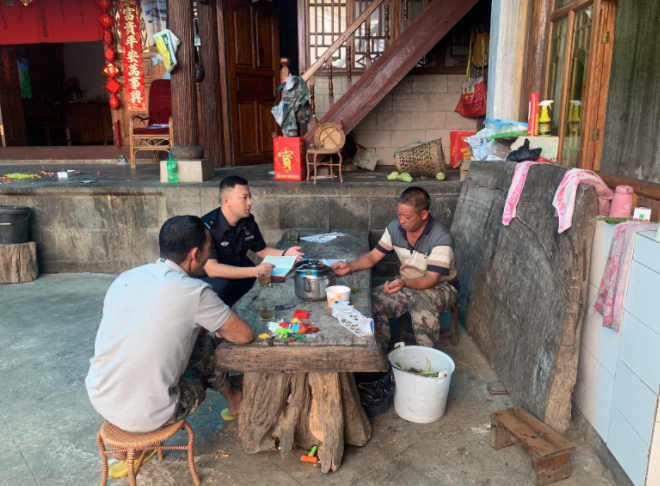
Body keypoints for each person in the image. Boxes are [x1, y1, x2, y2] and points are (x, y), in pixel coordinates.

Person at [85, 216, 254, 478]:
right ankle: (234, 400)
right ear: (195, 254)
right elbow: (244, 335)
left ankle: (127, 439)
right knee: (206, 345)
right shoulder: (195, 292)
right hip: (154, 415)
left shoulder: (126, 278)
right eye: (208, 249)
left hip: (101, 398)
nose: (209, 253)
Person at [332, 187, 459, 349]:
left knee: (420, 300)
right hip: (407, 283)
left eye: (407, 216)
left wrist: (404, 283)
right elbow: (372, 257)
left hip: (441, 286)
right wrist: (349, 266)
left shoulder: (441, 237)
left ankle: (425, 354)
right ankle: (380, 351)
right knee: (370, 301)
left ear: (424, 214)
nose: (402, 220)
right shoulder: (395, 228)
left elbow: (431, 279)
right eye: (399, 214)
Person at [200, 176, 304, 308]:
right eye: (244, 198)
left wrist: (285, 253)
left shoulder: (248, 222)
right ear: (227, 201)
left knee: (270, 280)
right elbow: (212, 269)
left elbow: (262, 250)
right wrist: (254, 271)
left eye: (250, 197)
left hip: (238, 270)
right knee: (222, 285)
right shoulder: (207, 227)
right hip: (211, 279)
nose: (250, 202)